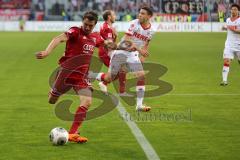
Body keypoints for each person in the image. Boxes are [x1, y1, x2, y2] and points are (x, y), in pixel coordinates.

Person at [35, 11, 116, 143]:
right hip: (66, 74)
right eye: (85, 24)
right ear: (82, 21)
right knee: (52, 100)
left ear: (95, 25)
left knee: (87, 101)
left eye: (90, 25)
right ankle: (55, 90)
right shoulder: (75, 31)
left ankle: (73, 133)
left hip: (82, 76)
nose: (87, 27)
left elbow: (106, 44)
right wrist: (47, 52)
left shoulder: (95, 37)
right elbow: (59, 38)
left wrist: (121, 46)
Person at [95, 6, 155, 112]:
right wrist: (139, 49)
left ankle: (139, 105)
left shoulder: (151, 30)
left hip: (132, 55)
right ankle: (90, 75)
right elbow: (127, 40)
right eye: (140, 13)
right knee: (109, 78)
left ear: (149, 16)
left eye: (143, 13)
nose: (140, 15)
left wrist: (142, 56)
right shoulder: (134, 23)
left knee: (141, 76)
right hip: (120, 52)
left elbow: (147, 43)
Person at [98, 10, 130, 96]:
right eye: (114, 15)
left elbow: (111, 42)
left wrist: (115, 36)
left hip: (108, 52)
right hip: (106, 53)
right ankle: (96, 76)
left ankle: (105, 83)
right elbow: (110, 45)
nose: (115, 16)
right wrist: (122, 47)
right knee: (122, 69)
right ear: (109, 16)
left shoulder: (107, 26)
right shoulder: (107, 28)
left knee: (123, 69)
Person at [221, 4, 240, 86]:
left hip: (239, 45)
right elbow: (229, 29)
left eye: (235, 9)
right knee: (226, 61)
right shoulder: (228, 20)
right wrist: (225, 28)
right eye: (232, 9)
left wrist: (230, 28)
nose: (233, 11)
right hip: (229, 45)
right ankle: (224, 81)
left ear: (238, 11)